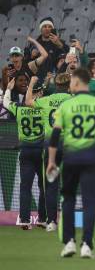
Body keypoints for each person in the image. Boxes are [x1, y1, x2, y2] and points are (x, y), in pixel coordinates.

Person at [47, 67, 95, 258]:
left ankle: (69, 242)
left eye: (71, 82)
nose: (70, 85)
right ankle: (87, 244)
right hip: (91, 158)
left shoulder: (66, 106)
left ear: (76, 82)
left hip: (70, 158)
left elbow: (55, 137)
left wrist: (52, 162)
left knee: (68, 199)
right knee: (89, 202)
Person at [24, 73, 72, 232]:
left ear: (55, 85)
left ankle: (51, 221)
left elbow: (28, 102)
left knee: (51, 184)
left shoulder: (46, 101)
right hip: (69, 144)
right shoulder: (73, 101)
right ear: (69, 85)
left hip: (50, 145)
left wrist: (31, 84)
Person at [3, 77, 45, 229]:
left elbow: (5, 103)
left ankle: (25, 220)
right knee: (43, 186)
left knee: (25, 187)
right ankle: (42, 218)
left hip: (26, 150)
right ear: (39, 93)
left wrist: (8, 88)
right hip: (41, 150)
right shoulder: (43, 108)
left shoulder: (19, 108)